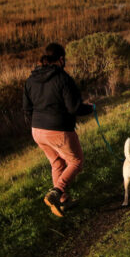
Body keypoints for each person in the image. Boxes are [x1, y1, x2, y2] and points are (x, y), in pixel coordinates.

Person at [23, 42, 93, 217]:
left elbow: (26, 108)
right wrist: (90, 108)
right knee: (76, 162)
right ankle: (56, 192)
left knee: (57, 163)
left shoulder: (31, 79)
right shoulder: (63, 78)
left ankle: (63, 202)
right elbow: (74, 108)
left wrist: (37, 124)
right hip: (59, 129)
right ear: (61, 59)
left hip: (37, 130)